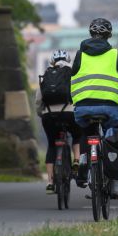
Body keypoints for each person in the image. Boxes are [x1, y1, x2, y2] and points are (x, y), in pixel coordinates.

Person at [71, 17, 118, 199]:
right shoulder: (115, 54)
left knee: (86, 133)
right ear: (109, 35)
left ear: (90, 33)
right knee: (114, 139)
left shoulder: (80, 54)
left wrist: (73, 98)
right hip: (109, 107)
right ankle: (114, 182)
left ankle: (84, 161)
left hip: (83, 107)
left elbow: (72, 77)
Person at [36, 49, 82, 194]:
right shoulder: (72, 74)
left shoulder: (46, 76)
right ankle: (76, 161)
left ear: (52, 62)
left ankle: (50, 182)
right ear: (68, 60)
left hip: (49, 115)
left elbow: (38, 100)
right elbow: (78, 96)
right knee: (77, 135)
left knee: (51, 144)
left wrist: (42, 114)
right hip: (69, 113)